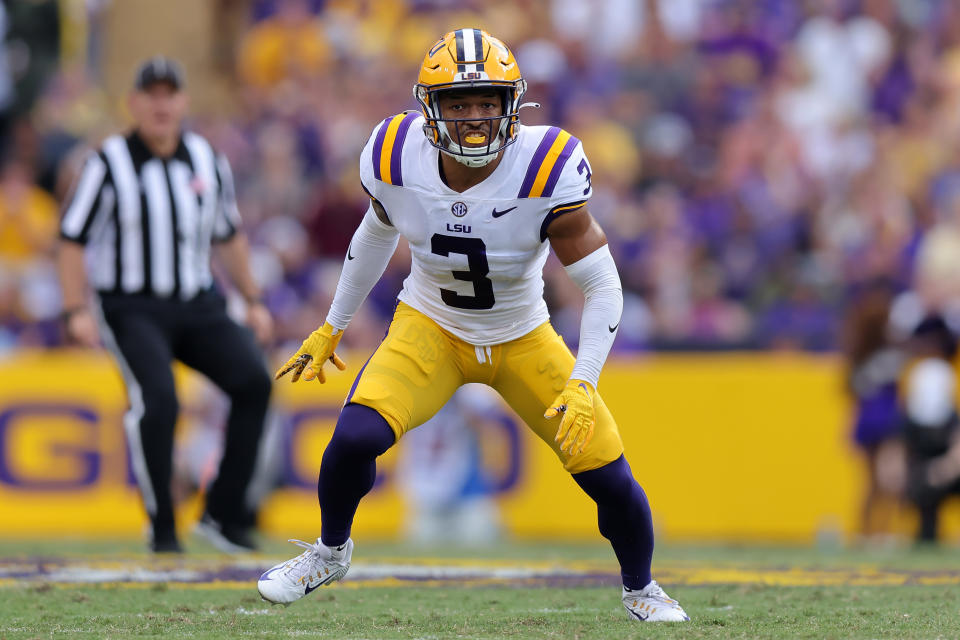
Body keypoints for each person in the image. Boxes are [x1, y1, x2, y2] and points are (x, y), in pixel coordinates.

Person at [257, 29, 689, 622]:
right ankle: (330, 552)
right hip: (430, 325)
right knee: (354, 439)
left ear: (512, 103)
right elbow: (374, 234)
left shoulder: (546, 166)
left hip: (522, 333)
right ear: (430, 109)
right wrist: (333, 325)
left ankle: (641, 588)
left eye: (488, 101)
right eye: (459, 104)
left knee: (609, 475)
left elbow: (603, 285)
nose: (476, 117)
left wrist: (584, 380)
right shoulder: (394, 153)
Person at [57, 56, 273, 554]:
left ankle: (221, 513)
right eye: (150, 94)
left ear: (183, 101)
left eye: (168, 93)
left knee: (254, 382)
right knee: (159, 401)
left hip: (197, 302)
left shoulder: (206, 159)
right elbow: (71, 240)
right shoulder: (107, 162)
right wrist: (75, 309)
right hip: (131, 305)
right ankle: (163, 528)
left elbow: (229, 235)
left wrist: (253, 298)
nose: (160, 104)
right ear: (133, 103)